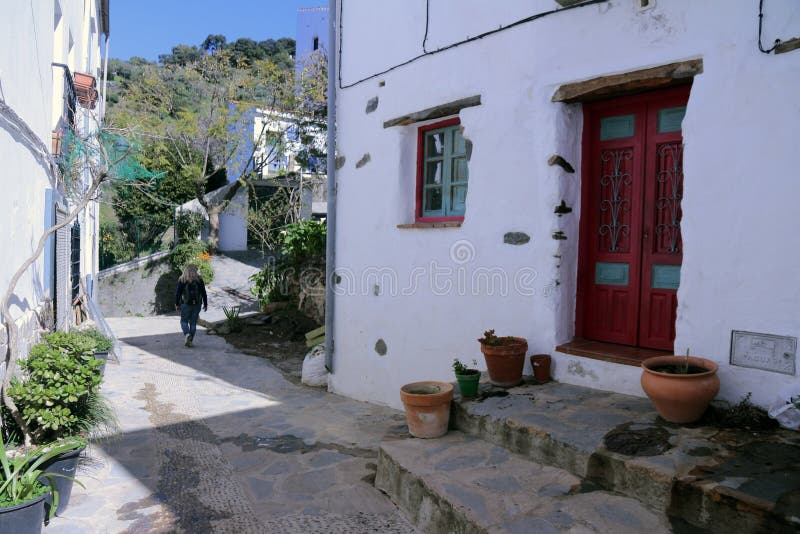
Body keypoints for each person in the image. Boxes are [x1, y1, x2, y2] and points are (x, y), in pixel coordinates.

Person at [175, 264, 208, 347]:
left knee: (183, 321)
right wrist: (205, 303)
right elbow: (204, 293)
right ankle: (190, 340)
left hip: (185, 304)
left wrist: (176, 304)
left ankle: (187, 335)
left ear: (185, 270)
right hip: (197, 304)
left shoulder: (182, 280)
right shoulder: (199, 279)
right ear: (195, 271)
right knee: (193, 323)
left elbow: (178, 294)